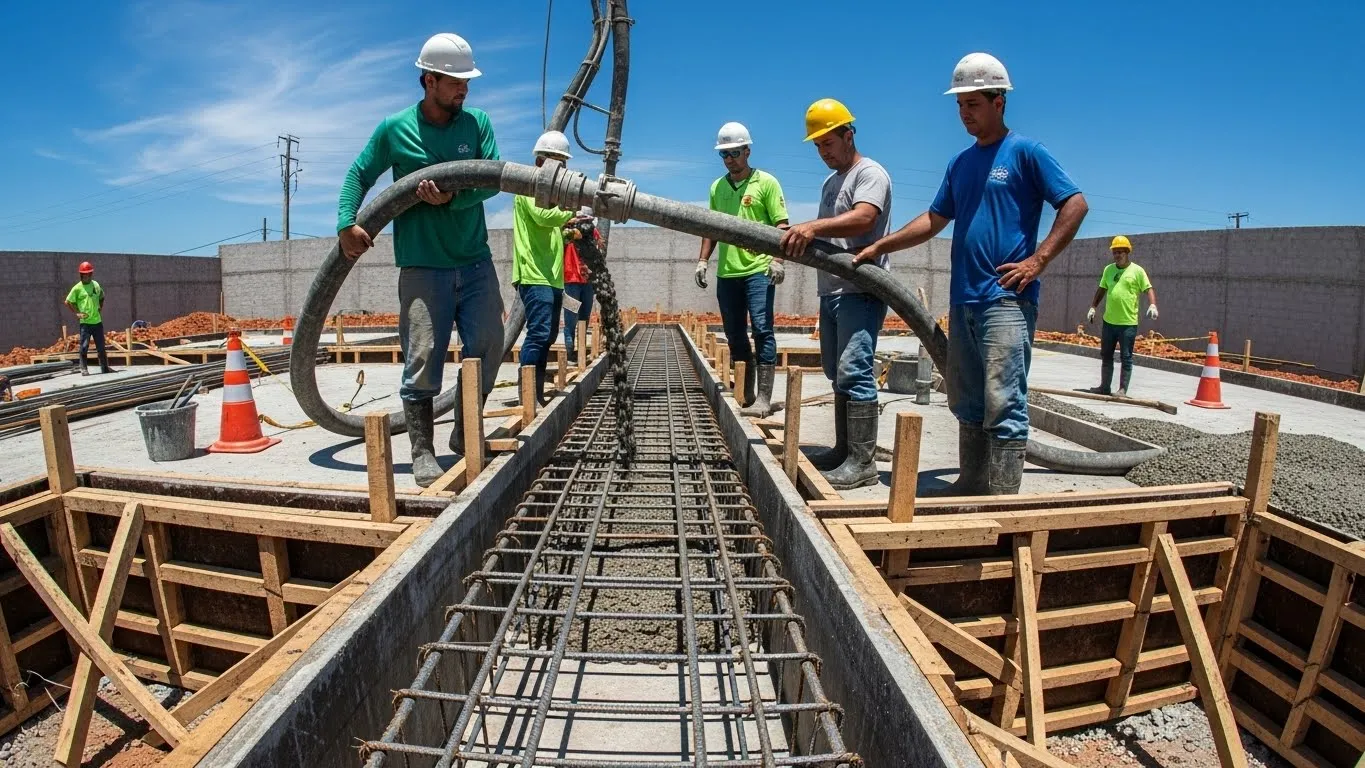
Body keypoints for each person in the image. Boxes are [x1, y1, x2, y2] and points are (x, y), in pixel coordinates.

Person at [852, 53, 1088, 496]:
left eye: (973, 104)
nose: (964, 114)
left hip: (1006, 300)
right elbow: (935, 219)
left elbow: (1074, 204)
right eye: (959, 105)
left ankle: (1001, 502)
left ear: (999, 101)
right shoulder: (960, 164)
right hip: (965, 300)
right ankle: (971, 485)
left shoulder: (1026, 153)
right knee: (967, 400)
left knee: (1005, 401)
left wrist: (1037, 262)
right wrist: (881, 245)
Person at [336, 32, 503, 488]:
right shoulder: (395, 129)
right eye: (454, 81)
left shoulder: (477, 124)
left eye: (466, 80)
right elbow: (359, 172)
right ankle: (422, 448)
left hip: (474, 261)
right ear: (428, 79)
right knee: (423, 355)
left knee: (489, 342)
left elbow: (492, 181)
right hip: (422, 266)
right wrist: (346, 222)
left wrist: (452, 196)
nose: (463, 89)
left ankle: (465, 431)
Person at [779, 100, 893, 490]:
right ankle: (845, 451)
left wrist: (812, 227)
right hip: (831, 291)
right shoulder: (830, 183)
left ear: (849, 135)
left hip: (861, 288)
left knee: (855, 371)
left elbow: (865, 218)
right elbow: (827, 232)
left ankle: (862, 464)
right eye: (817, 146)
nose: (823, 152)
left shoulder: (869, 173)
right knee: (836, 372)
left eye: (828, 143)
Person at [696, 121, 789, 417]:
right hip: (729, 273)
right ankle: (746, 393)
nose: (729, 159)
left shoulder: (767, 183)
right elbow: (710, 228)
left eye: (734, 153)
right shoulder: (717, 187)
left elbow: (782, 226)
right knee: (734, 334)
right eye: (723, 155)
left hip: (758, 270)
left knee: (762, 330)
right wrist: (703, 260)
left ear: (747, 151)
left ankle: (763, 398)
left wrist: (778, 260)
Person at [513, 131, 579, 404]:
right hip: (533, 273)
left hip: (551, 277)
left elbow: (551, 231)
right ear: (543, 160)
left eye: (564, 162)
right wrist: (572, 211)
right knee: (539, 333)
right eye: (558, 161)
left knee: (549, 335)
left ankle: (535, 392)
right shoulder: (529, 185)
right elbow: (542, 218)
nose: (562, 168)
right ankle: (528, 395)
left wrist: (569, 233)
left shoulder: (550, 192)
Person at [1087, 235, 1157, 396]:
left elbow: (1148, 288)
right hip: (1109, 322)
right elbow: (1102, 289)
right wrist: (1093, 307)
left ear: (1127, 252)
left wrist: (1152, 304)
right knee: (1106, 355)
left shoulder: (1137, 271)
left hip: (1127, 323)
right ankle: (1104, 387)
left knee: (1126, 356)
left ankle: (1123, 389)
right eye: (1115, 252)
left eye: (1120, 252)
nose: (1117, 255)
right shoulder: (1108, 270)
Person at [64, 261, 116, 376]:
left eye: (88, 274)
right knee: (84, 346)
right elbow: (68, 302)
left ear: (91, 274)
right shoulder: (77, 288)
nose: (86, 276)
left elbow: (102, 296)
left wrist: (100, 307)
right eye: (84, 274)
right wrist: (77, 313)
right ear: (81, 275)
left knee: (101, 347)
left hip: (97, 322)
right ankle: (83, 368)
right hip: (85, 323)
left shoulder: (96, 285)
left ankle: (104, 367)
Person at [562, 207, 598, 361]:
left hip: (587, 283)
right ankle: (570, 355)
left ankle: (581, 353)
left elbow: (598, 252)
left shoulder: (593, 233)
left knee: (584, 319)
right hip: (571, 281)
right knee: (570, 320)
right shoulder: (567, 232)